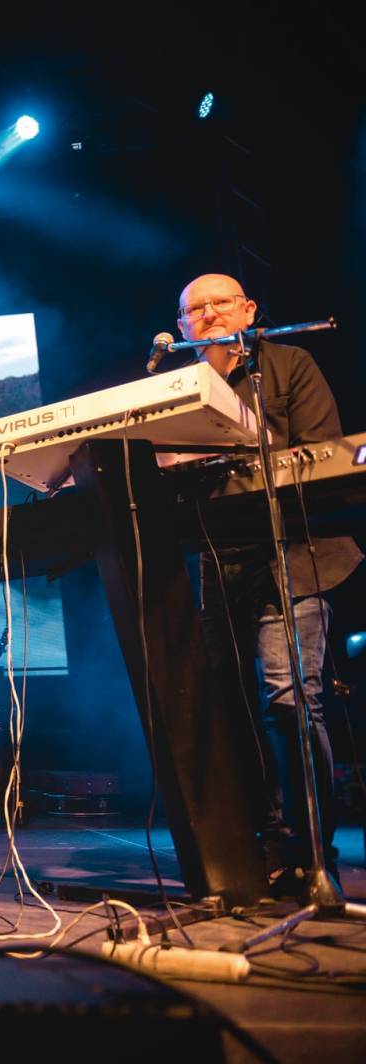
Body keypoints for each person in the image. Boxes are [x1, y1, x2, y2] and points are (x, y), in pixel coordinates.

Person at [180, 273, 361, 892]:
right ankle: (258, 843)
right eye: (194, 310)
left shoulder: (287, 365)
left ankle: (313, 854)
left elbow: (323, 455)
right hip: (218, 558)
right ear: (181, 328)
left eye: (220, 303)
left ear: (249, 310)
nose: (208, 314)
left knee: (289, 699)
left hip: (294, 553)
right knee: (229, 712)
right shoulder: (177, 388)